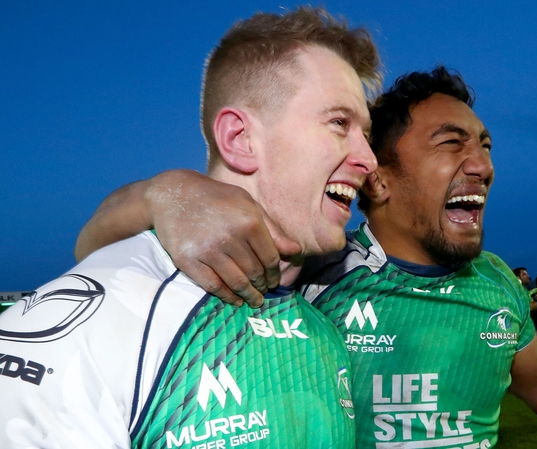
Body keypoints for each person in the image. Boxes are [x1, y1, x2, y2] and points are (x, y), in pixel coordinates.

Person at [76, 67, 537, 448]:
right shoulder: (311, 274)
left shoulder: (495, 283)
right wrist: (166, 193)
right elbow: (96, 251)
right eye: (453, 143)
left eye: (486, 145)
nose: (484, 165)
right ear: (379, 180)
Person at [0, 8, 381, 448]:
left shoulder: (326, 317)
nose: (368, 160)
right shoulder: (100, 323)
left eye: (366, 134)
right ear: (240, 140)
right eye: (339, 124)